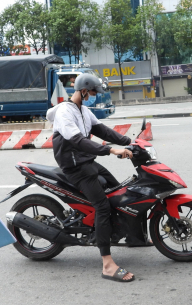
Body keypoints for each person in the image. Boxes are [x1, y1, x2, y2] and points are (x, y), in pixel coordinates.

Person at [46, 73, 136, 282]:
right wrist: (111, 151)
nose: (95, 95)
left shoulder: (83, 111)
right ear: (84, 90)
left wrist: (130, 141)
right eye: (94, 91)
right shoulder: (65, 113)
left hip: (85, 161)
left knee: (117, 189)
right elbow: (78, 141)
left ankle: (128, 235)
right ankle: (107, 264)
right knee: (103, 206)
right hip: (75, 167)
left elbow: (101, 130)